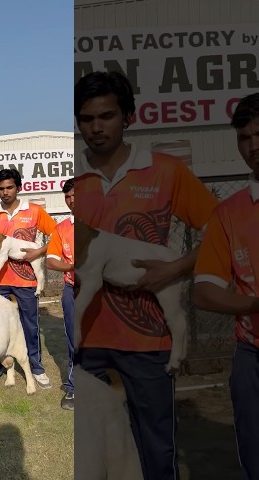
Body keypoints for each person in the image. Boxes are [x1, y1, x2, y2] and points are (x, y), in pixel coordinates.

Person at [74, 70, 218, 480]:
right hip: (86, 347)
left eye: (107, 115)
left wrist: (176, 267)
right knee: (93, 458)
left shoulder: (166, 171)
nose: (97, 127)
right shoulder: (71, 183)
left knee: (156, 454)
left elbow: (222, 233)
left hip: (149, 342)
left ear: (129, 117)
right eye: (86, 118)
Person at [192, 93, 259, 480]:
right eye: (245, 137)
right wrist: (253, 306)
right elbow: (204, 291)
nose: (254, 146)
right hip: (251, 358)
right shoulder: (229, 213)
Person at [0, 168, 57, 392]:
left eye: (10, 187)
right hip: (0, 281)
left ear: (19, 187)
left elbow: (59, 235)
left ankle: (36, 368)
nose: (5, 192)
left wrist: (39, 252)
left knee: (30, 325)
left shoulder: (34, 211)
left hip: (27, 283)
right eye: (1, 188)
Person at [45, 178, 75, 410]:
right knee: (75, 341)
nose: (72, 200)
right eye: (68, 196)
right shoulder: (62, 228)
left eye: (76, 195)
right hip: (72, 291)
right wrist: (72, 267)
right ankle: (75, 388)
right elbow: (51, 260)